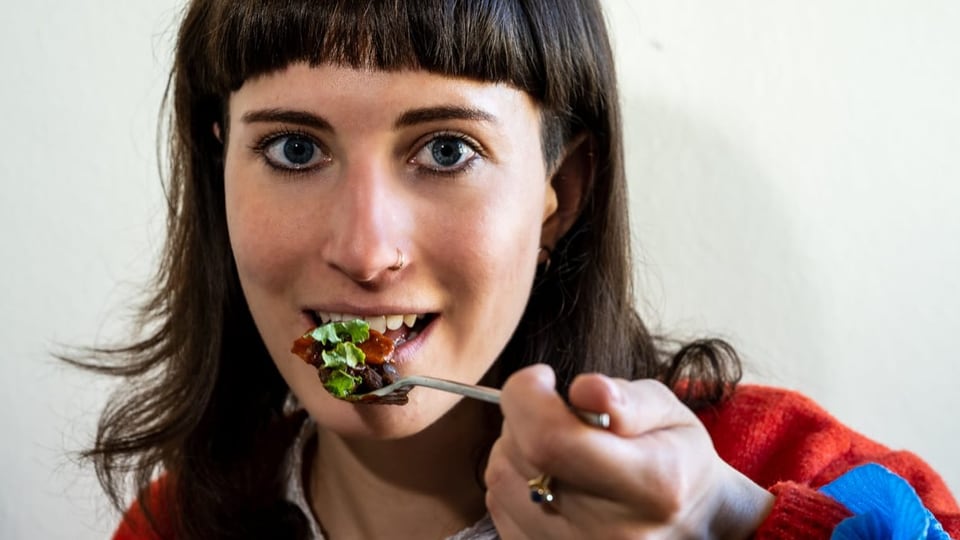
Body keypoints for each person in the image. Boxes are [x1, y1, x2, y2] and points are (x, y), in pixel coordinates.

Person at [75, 0, 958, 538]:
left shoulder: (787, 474)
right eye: (296, 148)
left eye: (447, 149)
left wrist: (740, 530)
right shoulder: (175, 525)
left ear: (559, 192)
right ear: (220, 169)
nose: (365, 248)